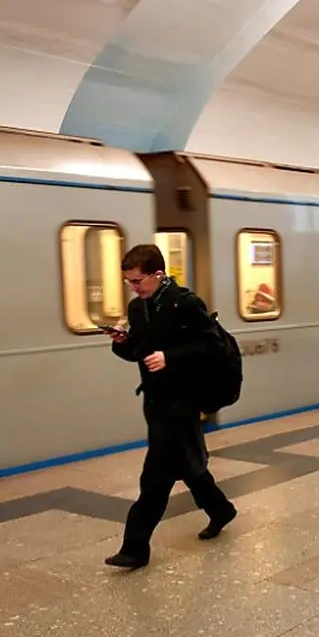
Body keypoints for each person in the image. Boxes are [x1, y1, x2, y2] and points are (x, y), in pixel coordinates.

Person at [104, 244, 237, 569]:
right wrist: (122, 343)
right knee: (188, 465)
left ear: (158, 275)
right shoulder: (138, 308)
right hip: (155, 400)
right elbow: (140, 352)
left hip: (182, 400)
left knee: (156, 476)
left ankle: (135, 547)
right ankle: (220, 509)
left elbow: (211, 346)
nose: (133, 288)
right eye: (129, 282)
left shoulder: (186, 304)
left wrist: (170, 358)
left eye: (137, 281)